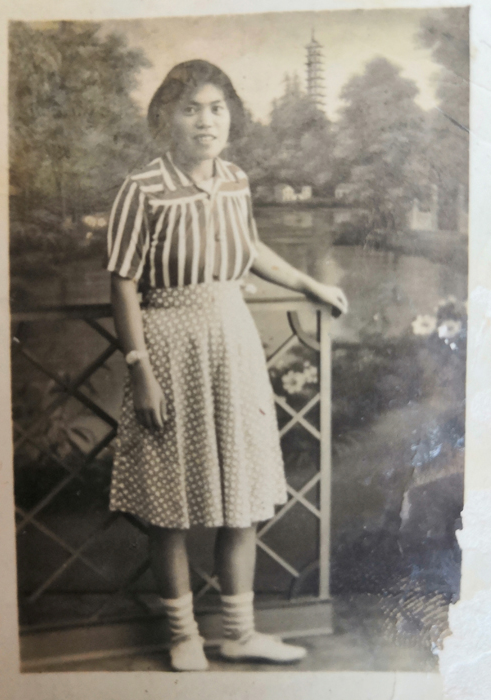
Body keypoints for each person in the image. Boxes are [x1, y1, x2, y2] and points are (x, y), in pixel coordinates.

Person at [106, 59, 348, 672]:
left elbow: (250, 248)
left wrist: (310, 284)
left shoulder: (236, 180)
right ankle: (183, 635)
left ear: (231, 117)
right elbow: (124, 281)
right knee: (169, 503)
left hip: (232, 343)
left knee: (240, 491)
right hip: (167, 345)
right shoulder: (143, 187)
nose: (205, 121)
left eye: (216, 109)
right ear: (167, 118)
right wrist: (139, 369)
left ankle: (241, 632)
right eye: (191, 110)